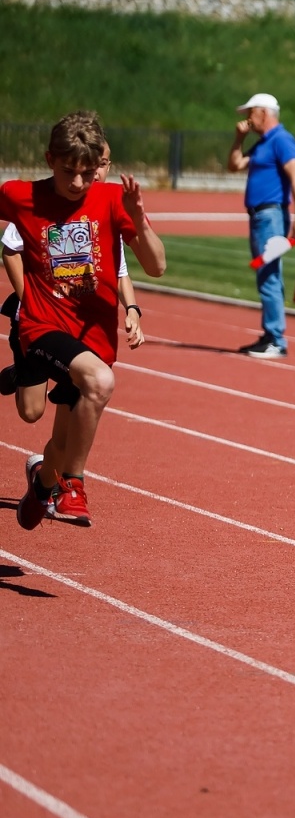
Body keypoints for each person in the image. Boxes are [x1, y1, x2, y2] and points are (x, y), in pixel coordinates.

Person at [3, 111, 166, 528]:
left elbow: (156, 266)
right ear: (50, 160)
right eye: (68, 171)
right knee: (82, 389)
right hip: (41, 326)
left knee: (62, 440)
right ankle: (73, 485)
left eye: (87, 173)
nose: (77, 183)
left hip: (92, 338)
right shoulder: (21, 195)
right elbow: (9, 247)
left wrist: (140, 217)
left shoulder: (113, 200)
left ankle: (43, 484)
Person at [1, 139, 145, 423]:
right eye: (90, 167)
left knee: (86, 382)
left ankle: (59, 464)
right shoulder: (42, 205)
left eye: (102, 166)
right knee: (31, 412)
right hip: (38, 315)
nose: (97, 173)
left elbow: (119, 270)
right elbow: (10, 252)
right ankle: (20, 374)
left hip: (80, 317)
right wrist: (29, 299)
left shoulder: (109, 207)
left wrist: (132, 308)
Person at [228, 92, 295, 358]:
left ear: (264, 112)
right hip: (260, 216)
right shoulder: (263, 143)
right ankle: (270, 335)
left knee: (270, 275)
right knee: (266, 274)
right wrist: (239, 140)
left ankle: (277, 339)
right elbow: (235, 165)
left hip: (272, 216)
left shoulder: (281, 140)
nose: (248, 119)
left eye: (251, 113)